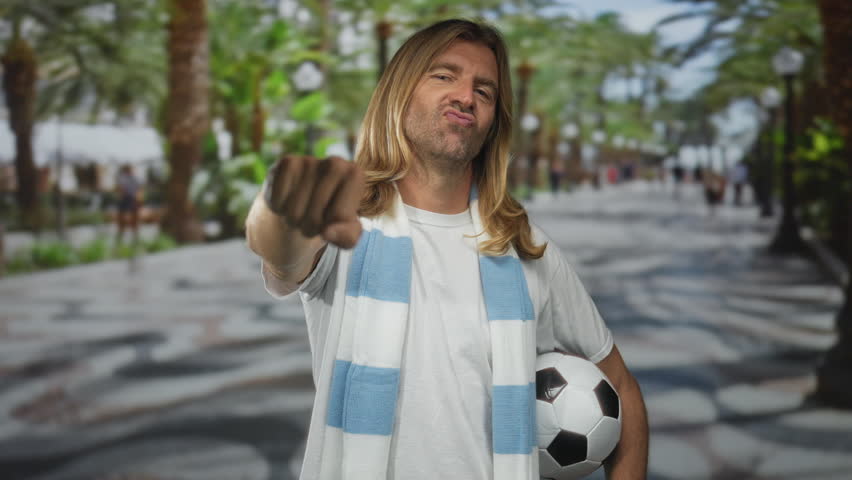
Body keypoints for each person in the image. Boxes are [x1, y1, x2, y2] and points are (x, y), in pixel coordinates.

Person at [245, 19, 648, 480]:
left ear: (495, 119)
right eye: (444, 75)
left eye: (485, 90)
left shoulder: (526, 249)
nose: (465, 96)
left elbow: (621, 388)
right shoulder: (348, 223)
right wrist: (276, 213)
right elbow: (280, 254)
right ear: (399, 92)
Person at [114, 163, 142, 246]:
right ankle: (123, 238)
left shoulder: (133, 178)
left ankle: (134, 238)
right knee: (123, 220)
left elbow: (139, 189)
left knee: (134, 219)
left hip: (131, 199)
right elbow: (120, 189)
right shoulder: (123, 177)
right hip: (127, 199)